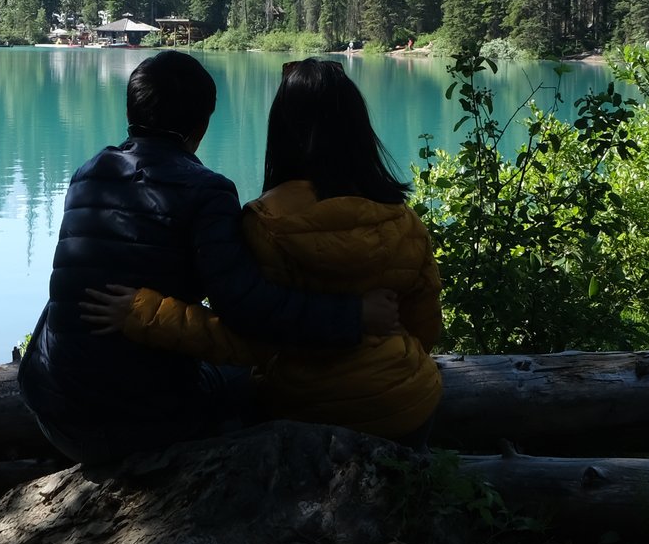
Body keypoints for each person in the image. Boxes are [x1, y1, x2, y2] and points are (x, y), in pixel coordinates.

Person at [16, 50, 401, 465]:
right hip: (142, 426)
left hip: (51, 408)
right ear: (201, 126)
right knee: (253, 375)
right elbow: (248, 308)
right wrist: (351, 316)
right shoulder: (207, 191)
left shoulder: (89, 172)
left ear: (131, 109)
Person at [82, 58, 443, 441]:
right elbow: (425, 328)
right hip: (409, 408)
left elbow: (246, 341)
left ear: (282, 131)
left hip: (303, 412)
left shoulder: (267, 222)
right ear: (358, 131)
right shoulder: (403, 221)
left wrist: (146, 312)